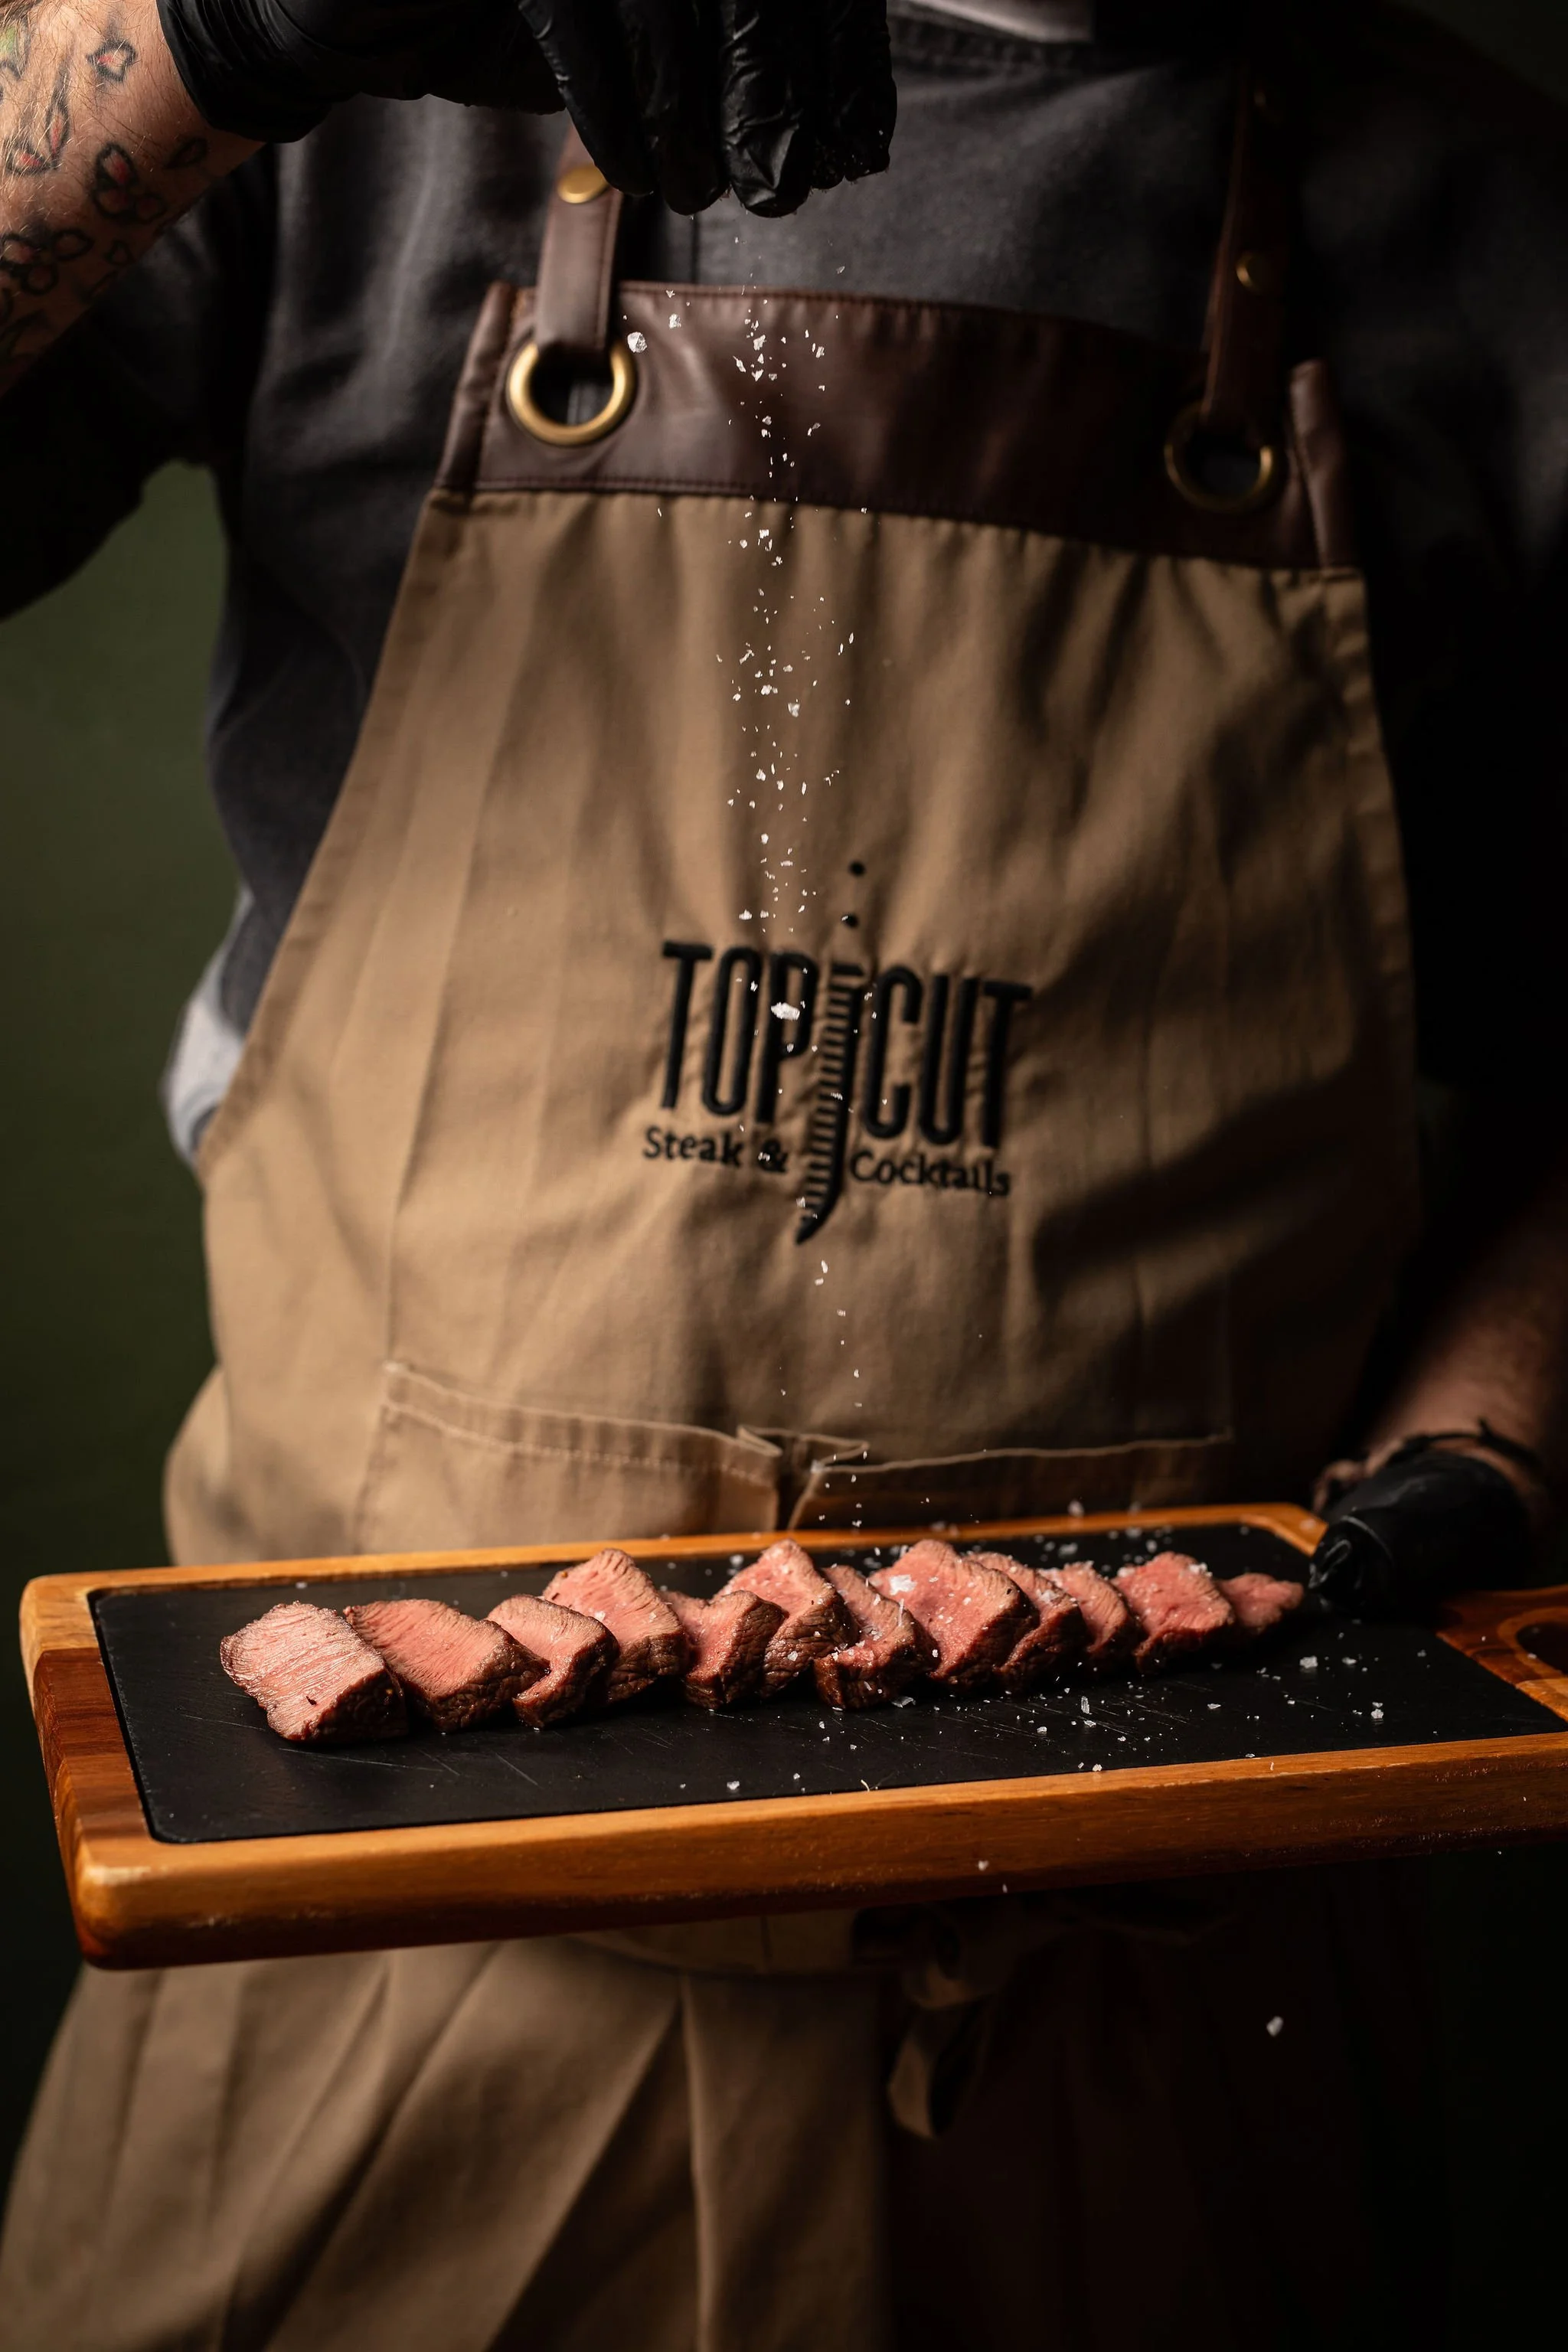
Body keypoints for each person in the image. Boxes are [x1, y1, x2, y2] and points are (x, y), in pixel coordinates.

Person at [2, 0, 1566, 2343]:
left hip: (1164, 2077)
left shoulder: (1499, 229)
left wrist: (1505, 1435)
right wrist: (221, 31)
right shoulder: (369, 110)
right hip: (354, 2016)